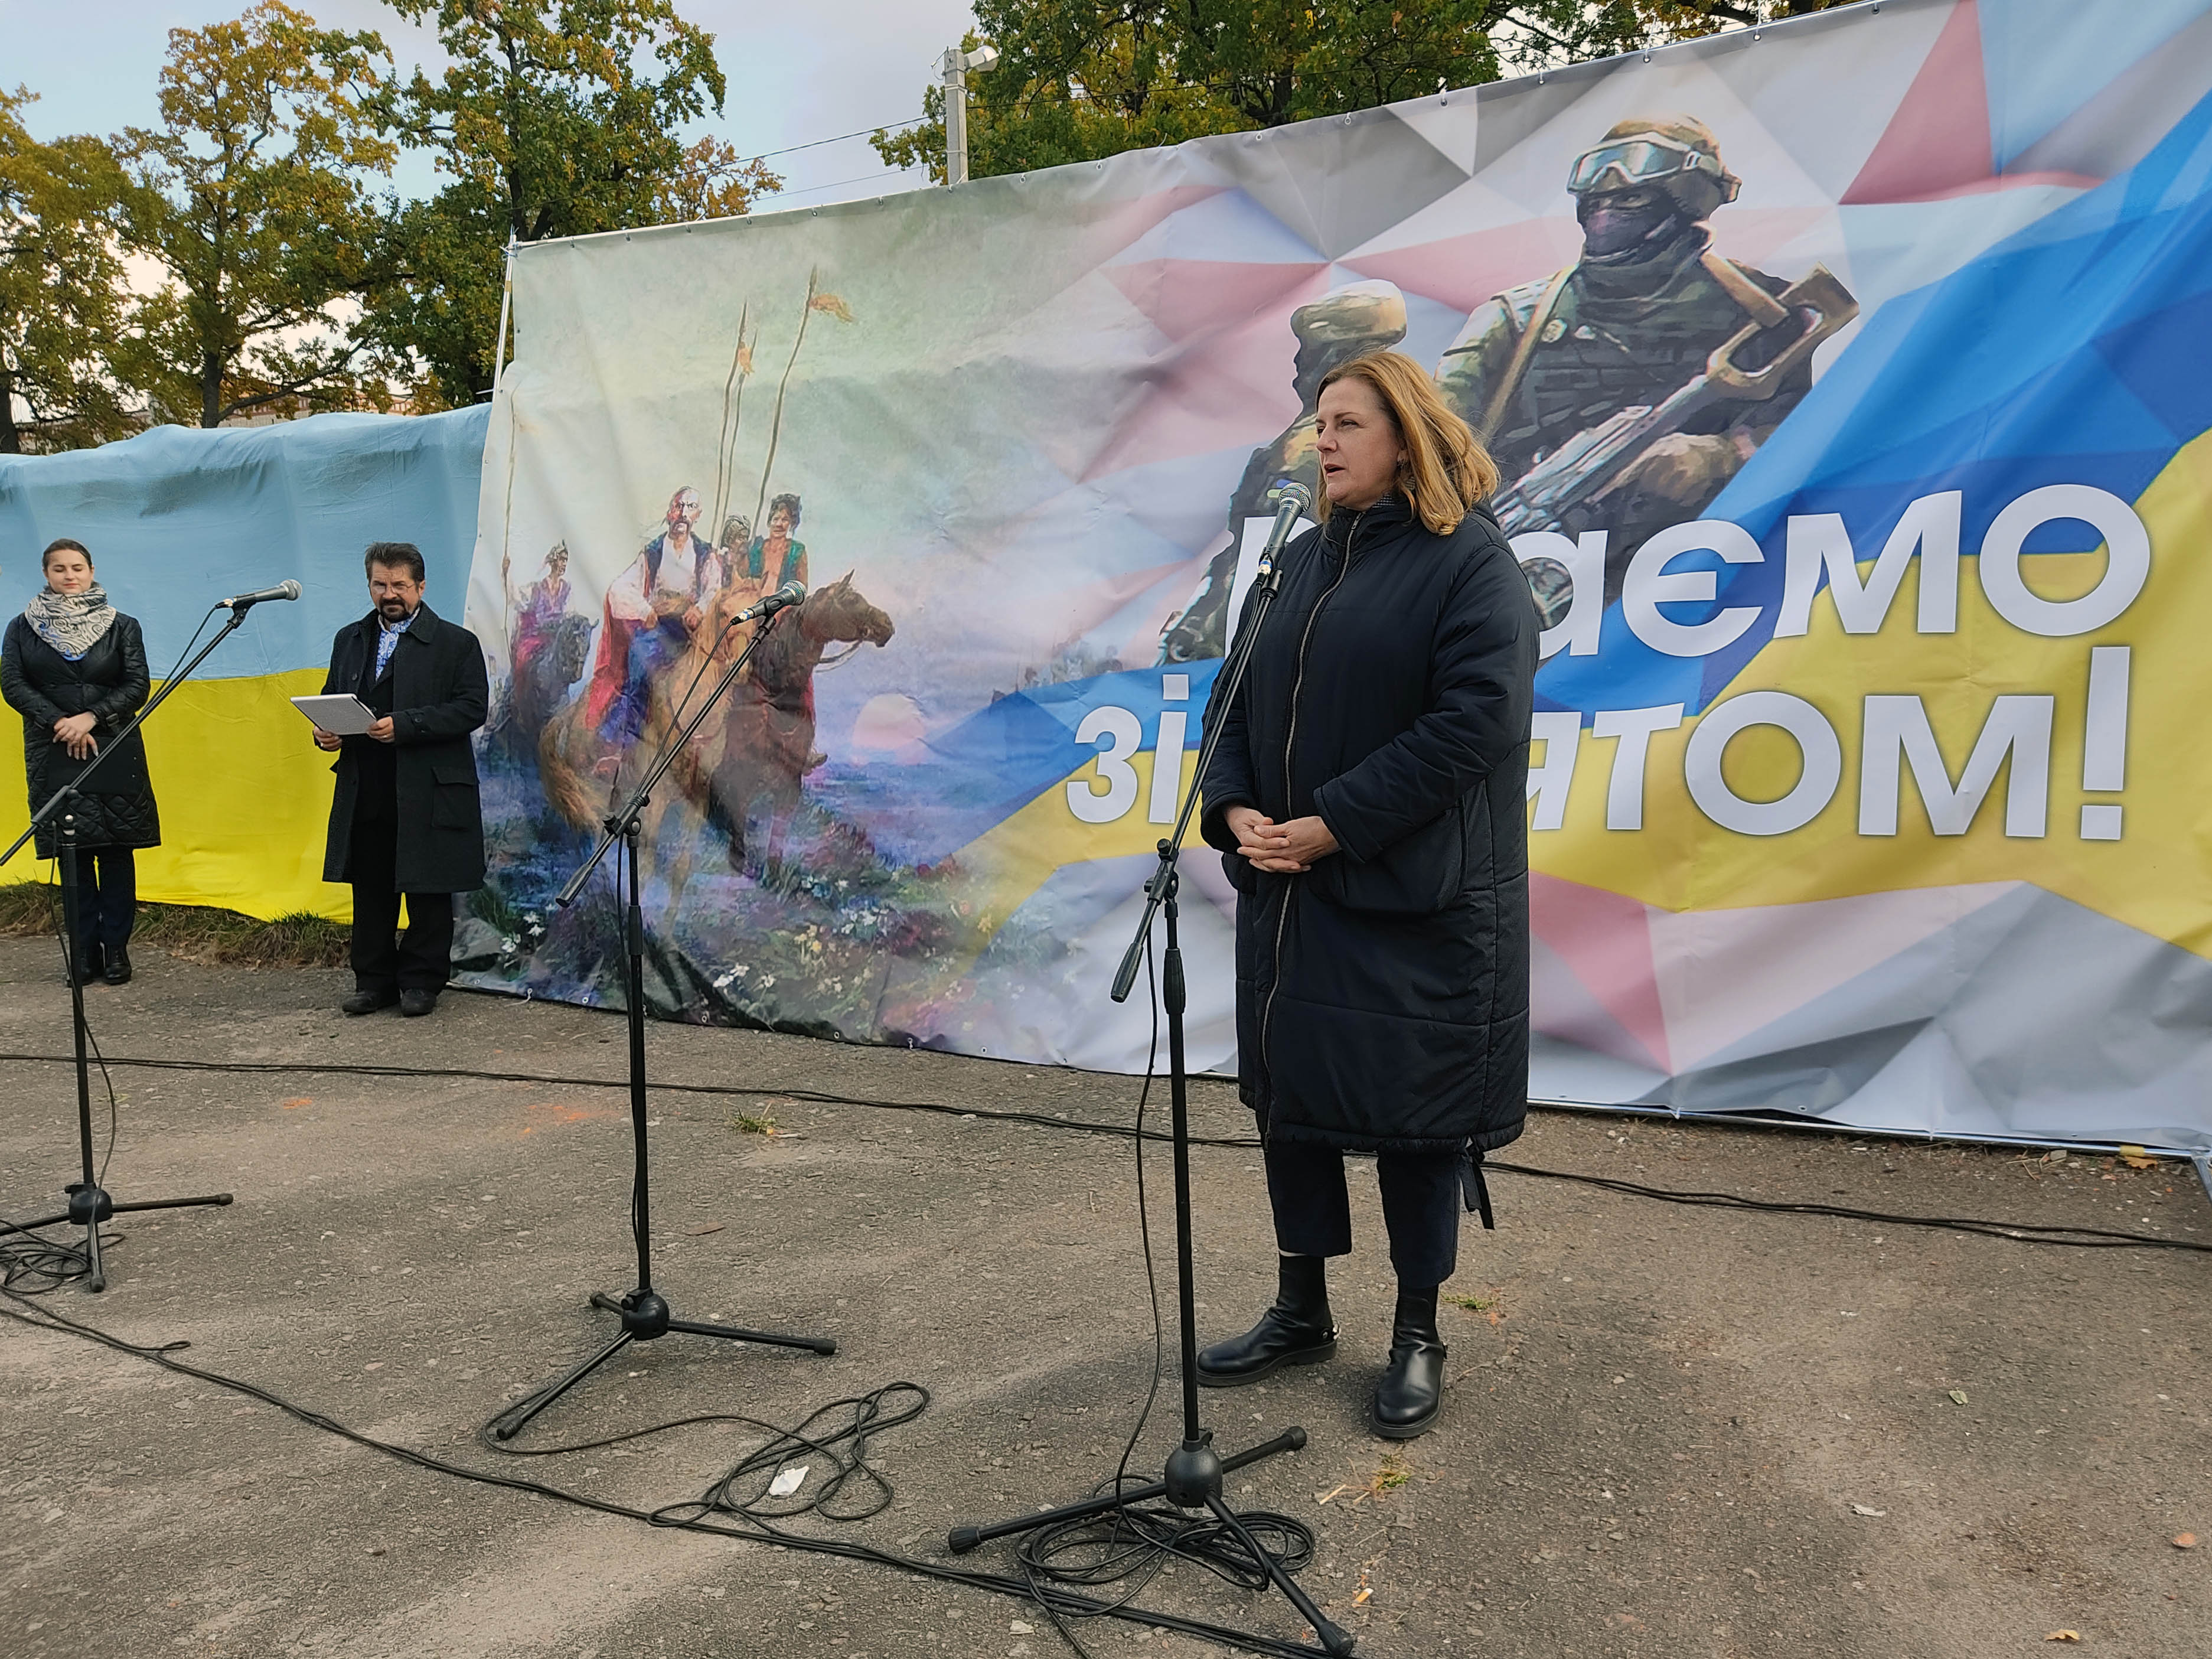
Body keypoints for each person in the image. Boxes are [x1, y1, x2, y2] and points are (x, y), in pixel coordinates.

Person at [1195, 350, 1537, 1439]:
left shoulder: (1470, 562)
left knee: (1415, 1121)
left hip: (1415, 901)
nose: (1323, 440)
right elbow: (1233, 699)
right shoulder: (1296, 561)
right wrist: (1236, 810)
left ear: (1406, 436)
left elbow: (1476, 723)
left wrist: (1333, 821)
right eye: (1319, 421)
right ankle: (1300, 1309)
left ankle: (1417, 1332)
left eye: (1346, 422)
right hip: (1291, 889)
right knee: (1293, 1102)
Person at [1434, 116, 1840, 595]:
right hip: (1516, 573)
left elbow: (1817, 442)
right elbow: (1427, 453)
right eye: (1595, 199)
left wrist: (1722, 456)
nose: (1605, 211)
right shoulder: (1516, 320)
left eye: (1629, 197)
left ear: (1686, 198)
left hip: (1700, 583)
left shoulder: (1768, 311)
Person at [1159, 281, 1409, 664]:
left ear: (1334, 355)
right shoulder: (1377, 441)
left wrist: (1202, 638)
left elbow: (1264, 566)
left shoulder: (1307, 450)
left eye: (1307, 350)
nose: (1297, 363)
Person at [312, 543, 488, 1018]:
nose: (389, 594)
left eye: (399, 585)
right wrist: (325, 733)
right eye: (380, 584)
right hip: (366, 787)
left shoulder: (457, 644)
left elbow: (473, 708)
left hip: (429, 788)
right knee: (371, 888)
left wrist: (407, 725)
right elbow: (332, 696)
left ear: (421, 587)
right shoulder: (350, 639)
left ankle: (421, 982)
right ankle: (374, 982)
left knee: (428, 888)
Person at [1, 539, 160, 986]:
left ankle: (117, 950)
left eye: (77, 568)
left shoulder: (122, 626)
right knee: (73, 854)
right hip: (52, 746)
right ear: (46, 574)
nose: (69, 576)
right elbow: (13, 684)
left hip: (111, 742)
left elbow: (137, 684)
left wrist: (92, 717)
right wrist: (60, 722)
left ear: (92, 571)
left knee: (115, 851)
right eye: (59, 569)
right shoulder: (21, 628)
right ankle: (84, 952)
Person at [585, 487, 724, 749]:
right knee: (641, 657)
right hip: (660, 626)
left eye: (690, 508)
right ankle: (624, 737)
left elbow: (714, 587)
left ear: (698, 515)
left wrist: (701, 608)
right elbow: (620, 589)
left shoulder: (705, 553)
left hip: (692, 628)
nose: (683, 514)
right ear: (670, 512)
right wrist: (645, 610)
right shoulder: (653, 551)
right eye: (678, 506)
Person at [739, 494, 807, 590]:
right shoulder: (755, 550)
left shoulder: (797, 552)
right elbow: (741, 581)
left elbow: (802, 588)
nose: (779, 524)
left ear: (791, 523)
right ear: (769, 522)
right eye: (776, 519)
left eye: (785, 520)